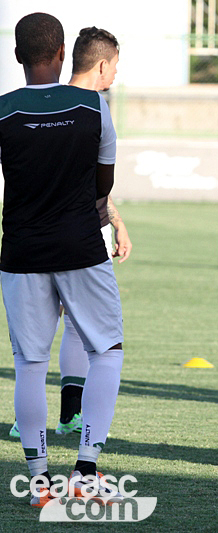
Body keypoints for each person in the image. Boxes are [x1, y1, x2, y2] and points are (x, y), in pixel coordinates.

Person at [0, 12, 124, 507]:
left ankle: (38, 483)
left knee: (29, 363)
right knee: (107, 352)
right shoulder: (94, 106)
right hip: (79, 246)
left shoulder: (4, 110)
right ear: (59, 55)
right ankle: (86, 472)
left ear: (17, 56)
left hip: (21, 250)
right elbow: (104, 183)